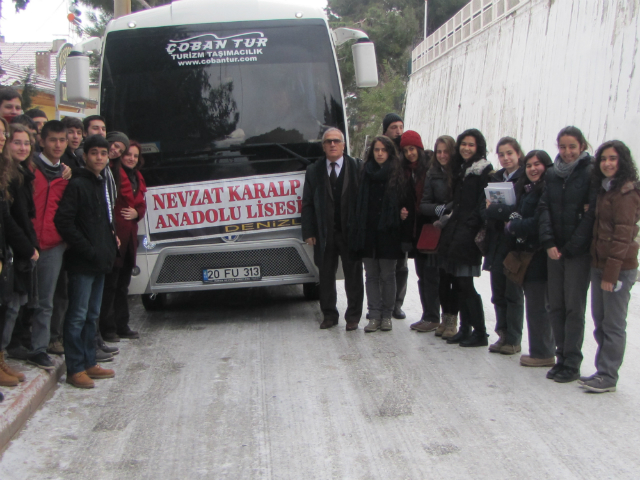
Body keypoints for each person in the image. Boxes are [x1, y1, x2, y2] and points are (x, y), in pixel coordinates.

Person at [54, 135, 118, 389]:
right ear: (85, 156)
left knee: (92, 315)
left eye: (103, 153)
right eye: (94, 153)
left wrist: (109, 247)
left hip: (100, 261)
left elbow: (102, 222)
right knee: (77, 316)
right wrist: (88, 250)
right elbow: (64, 222)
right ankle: (75, 368)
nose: (99, 158)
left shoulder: (100, 182)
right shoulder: (78, 185)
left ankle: (90, 361)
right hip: (83, 262)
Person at [580, 140, 640, 393]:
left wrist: (611, 274)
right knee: (600, 321)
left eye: (613, 159)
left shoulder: (626, 193)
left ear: (622, 161)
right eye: (603, 159)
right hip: (600, 265)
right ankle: (602, 370)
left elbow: (622, 237)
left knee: (613, 324)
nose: (607, 163)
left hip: (617, 269)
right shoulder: (607, 190)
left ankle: (608, 375)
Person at [538, 126, 597, 383]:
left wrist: (572, 247)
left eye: (572, 146)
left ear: (581, 146)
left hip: (577, 253)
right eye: (563, 147)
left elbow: (591, 213)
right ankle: (560, 357)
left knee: (574, 308)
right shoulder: (551, 174)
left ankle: (572, 362)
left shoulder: (590, 171)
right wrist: (549, 241)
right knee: (556, 306)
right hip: (555, 250)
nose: (567, 151)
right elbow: (544, 209)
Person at [301, 128, 364, 331]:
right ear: (323, 146)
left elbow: (364, 201)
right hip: (324, 233)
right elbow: (308, 203)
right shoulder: (314, 170)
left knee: (353, 276)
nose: (332, 145)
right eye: (328, 142)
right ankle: (329, 315)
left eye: (336, 141)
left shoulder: (356, 167)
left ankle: (353, 317)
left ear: (344, 145)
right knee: (326, 276)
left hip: (350, 232)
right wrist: (309, 232)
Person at [438, 129, 492, 347]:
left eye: (471, 145)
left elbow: (481, 205)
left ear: (478, 147)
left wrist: (469, 229)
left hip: (468, 235)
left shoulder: (484, 171)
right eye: (464, 144)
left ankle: (480, 332)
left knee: (466, 283)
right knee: (458, 283)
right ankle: (465, 328)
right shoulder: (462, 169)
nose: (467, 148)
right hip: (456, 232)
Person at [503, 150, 556, 366]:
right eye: (529, 165)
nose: (533, 169)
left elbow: (538, 222)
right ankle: (540, 350)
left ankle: (543, 353)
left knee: (538, 306)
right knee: (534, 303)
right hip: (527, 251)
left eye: (538, 164)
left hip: (540, 253)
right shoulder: (526, 189)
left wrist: (514, 225)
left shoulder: (547, 190)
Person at [350, 136, 408, 332]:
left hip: (389, 233)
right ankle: (374, 315)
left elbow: (405, 202)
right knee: (371, 276)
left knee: (388, 275)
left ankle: (387, 315)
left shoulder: (398, 174)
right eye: (376, 150)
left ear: (390, 152)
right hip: (367, 232)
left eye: (384, 150)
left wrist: (403, 213)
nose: (380, 153)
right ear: (371, 152)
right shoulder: (364, 173)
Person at [27, 120, 71, 370]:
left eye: (61, 140)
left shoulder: (66, 173)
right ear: (42, 141)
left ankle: (39, 348)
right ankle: (15, 345)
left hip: (53, 245)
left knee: (46, 300)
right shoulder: (29, 168)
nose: (57, 144)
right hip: (26, 242)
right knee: (17, 300)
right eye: (52, 139)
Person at [0, 125, 41, 369]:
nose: (22, 147)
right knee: (10, 306)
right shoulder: (8, 175)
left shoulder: (22, 172)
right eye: (17, 142)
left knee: (15, 305)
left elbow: (24, 217)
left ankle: (3, 360)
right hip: (12, 249)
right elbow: (9, 219)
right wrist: (28, 247)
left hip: (19, 247)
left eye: (26, 143)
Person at [99, 141, 146, 341]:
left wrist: (137, 212)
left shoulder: (138, 177)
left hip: (130, 238)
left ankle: (122, 325)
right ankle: (108, 328)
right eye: (128, 154)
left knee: (122, 285)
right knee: (110, 285)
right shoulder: (111, 172)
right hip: (116, 235)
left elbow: (141, 205)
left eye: (135, 156)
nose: (131, 159)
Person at [484, 137, 525, 354]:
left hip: (514, 244)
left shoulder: (525, 179)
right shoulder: (496, 178)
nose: (506, 158)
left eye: (510, 153)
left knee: (513, 293)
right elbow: (487, 210)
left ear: (518, 154)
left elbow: (520, 212)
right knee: (497, 292)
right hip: (496, 241)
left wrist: (495, 210)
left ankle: (514, 338)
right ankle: (502, 333)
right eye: (501, 154)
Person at [417, 135, 459, 338]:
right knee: (438, 277)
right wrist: (440, 209)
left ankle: (453, 319)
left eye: (446, 151)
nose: (442, 155)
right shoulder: (432, 173)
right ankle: (440, 318)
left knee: (456, 278)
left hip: (457, 229)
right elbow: (424, 205)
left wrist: (448, 209)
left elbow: (462, 199)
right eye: (439, 151)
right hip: (437, 230)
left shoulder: (459, 172)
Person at [398, 130, 436, 331]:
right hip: (415, 231)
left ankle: (435, 316)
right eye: (405, 150)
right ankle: (428, 314)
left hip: (431, 228)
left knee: (432, 275)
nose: (409, 153)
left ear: (419, 148)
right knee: (422, 275)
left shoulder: (430, 168)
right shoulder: (405, 172)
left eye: (412, 149)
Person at [382, 113, 408, 319]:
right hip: (383, 217)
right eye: (394, 127)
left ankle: (397, 304)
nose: (398, 131)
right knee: (382, 266)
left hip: (403, 218)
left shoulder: (408, 152)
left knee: (401, 265)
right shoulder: (379, 151)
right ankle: (383, 304)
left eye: (401, 127)